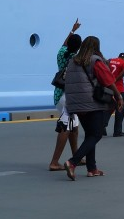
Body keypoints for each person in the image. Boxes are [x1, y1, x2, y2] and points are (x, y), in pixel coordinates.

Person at [62, 35, 123, 180]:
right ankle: (72, 162)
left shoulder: (73, 61)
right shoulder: (95, 60)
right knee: (96, 134)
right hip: (92, 103)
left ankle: (92, 168)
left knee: (90, 134)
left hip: (75, 103)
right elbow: (107, 80)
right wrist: (118, 96)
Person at [48, 19, 81, 171]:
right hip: (69, 96)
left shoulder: (61, 54)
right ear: (79, 47)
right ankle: (54, 162)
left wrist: (72, 30)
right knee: (66, 127)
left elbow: (64, 45)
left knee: (74, 126)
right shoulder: (77, 59)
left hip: (59, 94)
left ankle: (76, 156)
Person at [107, 51, 124, 137]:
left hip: (108, 87)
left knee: (107, 108)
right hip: (119, 89)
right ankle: (117, 131)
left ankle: (101, 128)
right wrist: (116, 79)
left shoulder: (110, 60)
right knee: (120, 109)